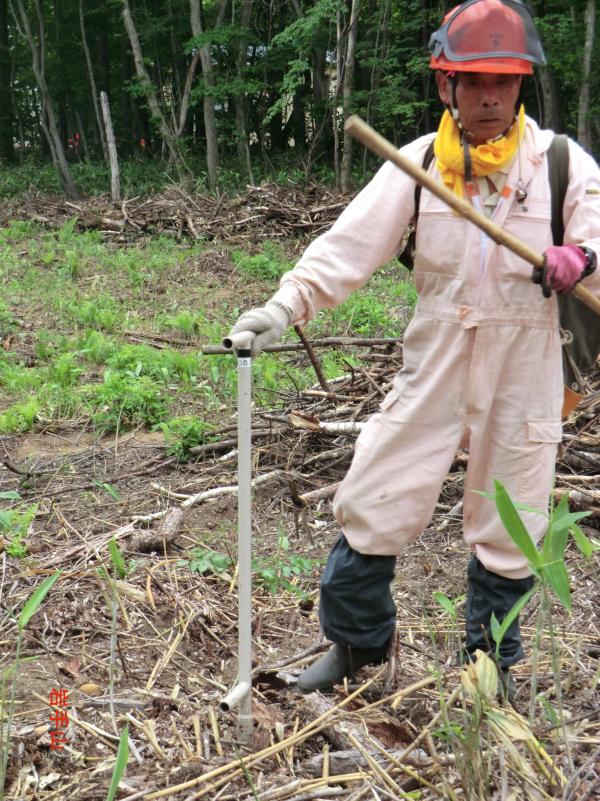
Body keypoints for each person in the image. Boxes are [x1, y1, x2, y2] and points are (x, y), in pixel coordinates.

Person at [227, 0, 600, 696]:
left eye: (506, 82)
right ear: (446, 86)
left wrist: (580, 257)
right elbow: (349, 246)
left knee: (510, 521)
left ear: (522, 86)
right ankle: (356, 652)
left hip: (528, 362)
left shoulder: (559, 165)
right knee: (373, 493)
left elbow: (597, 236)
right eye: (475, 81)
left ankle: (491, 676)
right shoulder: (420, 164)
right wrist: (283, 306)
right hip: (435, 356)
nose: (491, 97)